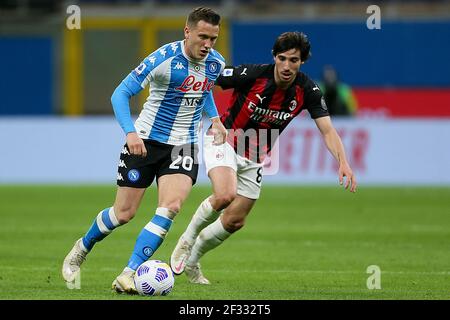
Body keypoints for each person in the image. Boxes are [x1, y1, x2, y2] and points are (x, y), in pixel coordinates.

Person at [61, 7, 227, 294]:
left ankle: (129, 273)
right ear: (187, 32)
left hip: (183, 145)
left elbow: (204, 90)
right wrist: (131, 132)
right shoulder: (164, 59)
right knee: (123, 213)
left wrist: (215, 119)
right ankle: (82, 246)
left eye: (213, 38)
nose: (208, 45)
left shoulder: (215, 62)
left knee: (171, 206)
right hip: (146, 143)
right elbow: (120, 93)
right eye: (202, 37)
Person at [170, 31, 357, 284]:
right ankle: (186, 240)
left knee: (235, 221)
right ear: (274, 57)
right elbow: (206, 78)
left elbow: (327, 129)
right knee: (225, 194)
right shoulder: (252, 75)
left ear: (302, 62)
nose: (287, 66)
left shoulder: (307, 89)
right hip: (224, 140)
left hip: (255, 157)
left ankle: (192, 262)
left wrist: (343, 161)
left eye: (294, 60)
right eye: (283, 58)